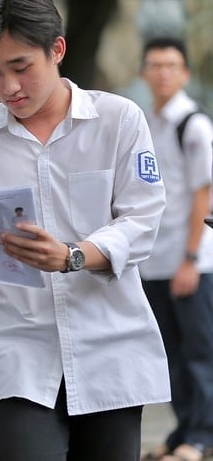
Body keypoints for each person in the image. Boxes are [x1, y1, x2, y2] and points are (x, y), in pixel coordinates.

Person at [0, 0, 169, 461]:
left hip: (109, 345)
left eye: (20, 67)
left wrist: (72, 256)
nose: (8, 87)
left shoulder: (118, 120)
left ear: (57, 50)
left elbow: (143, 219)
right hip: (15, 355)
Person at [138, 37, 213, 461]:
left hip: (193, 262)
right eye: (156, 64)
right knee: (171, 355)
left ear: (184, 73)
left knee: (200, 353)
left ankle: (202, 435)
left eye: (172, 65)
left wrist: (189, 259)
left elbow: (203, 195)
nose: (164, 72)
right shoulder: (147, 122)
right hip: (156, 262)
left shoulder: (194, 124)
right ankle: (183, 430)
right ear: (143, 73)